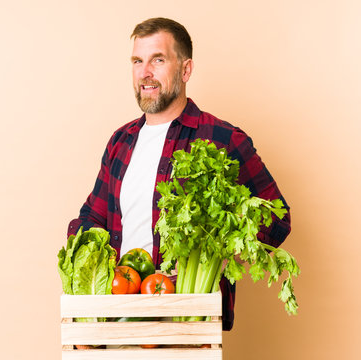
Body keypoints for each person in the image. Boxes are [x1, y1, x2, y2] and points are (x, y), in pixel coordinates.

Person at [67, 17, 291, 331]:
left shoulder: (223, 140)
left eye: (158, 60)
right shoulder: (121, 142)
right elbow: (93, 216)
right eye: (137, 61)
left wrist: (220, 253)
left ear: (185, 70)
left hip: (187, 320)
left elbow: (277, 217)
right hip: (117, 317)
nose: (145, 72)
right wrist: (83, 259)